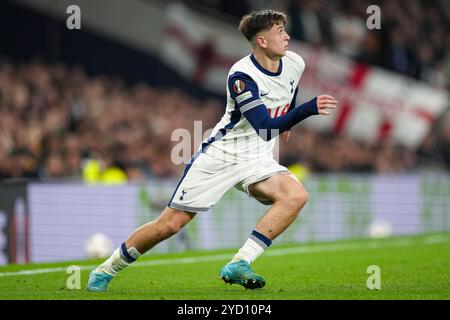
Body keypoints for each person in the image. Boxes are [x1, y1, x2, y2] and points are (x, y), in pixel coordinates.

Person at [87, 9, 337, 291]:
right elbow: (266, 127)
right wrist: (306, 110)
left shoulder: (295, 63)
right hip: (221, 155)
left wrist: (289, 114)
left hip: (257, 157)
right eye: (279, 31)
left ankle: (240, 262)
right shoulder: (241, 76)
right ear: (262, 41)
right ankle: (105, 270)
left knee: (295, 195)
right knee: (170, 224)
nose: (287, 36)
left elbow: (288, 91)